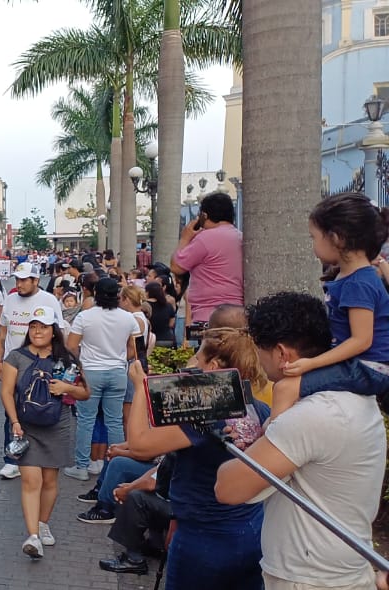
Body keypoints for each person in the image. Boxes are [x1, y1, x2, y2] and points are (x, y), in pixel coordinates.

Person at [217, 292, 389, 590]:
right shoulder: (355, 400)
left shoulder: (314, 415)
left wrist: (275, 419)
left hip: (309, 579)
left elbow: (229, 488)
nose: (257, 358)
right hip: (335, 570)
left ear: (282, 354)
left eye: (260, 349)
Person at [126, 327, 271, 588]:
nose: (190, 364)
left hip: (205, 537)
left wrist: (139, 388)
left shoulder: (205, 410)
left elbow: (140, 446)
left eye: (197, 357)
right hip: (251, 531)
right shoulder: (258, 408)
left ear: (213, 366)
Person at [275, 193, 389, 405]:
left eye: (314, 237)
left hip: (367, 368)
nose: (313, 246)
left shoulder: (358, 283)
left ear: (336, 238)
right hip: (358, 364)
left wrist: (312, 363)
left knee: (285, 388)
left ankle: (273, 438)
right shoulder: (350, 276)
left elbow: (362, 340)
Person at [0, 306, 88, 558]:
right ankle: (33, 537)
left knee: (50, 481)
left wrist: (66, 388)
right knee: (31, 480)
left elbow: (85, 393)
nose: (38, 332)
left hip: (57, 425)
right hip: (25, 426)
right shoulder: (16, 357)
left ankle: (42, 523)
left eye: (44, 327)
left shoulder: (66, 359)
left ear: (53, 331)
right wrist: (14, 421)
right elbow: (6, 392)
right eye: (34, 327)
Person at [65, 278, 139, 481]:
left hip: (91, 372)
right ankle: (115, 465)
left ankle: (81, 466)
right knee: (114, 421)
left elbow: (71, 345)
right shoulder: (128, 318)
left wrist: (81, 363)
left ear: (96, 294)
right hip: (117, 372)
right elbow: (134, 349)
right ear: (118, 294)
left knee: (86, 420)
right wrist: (120, 358)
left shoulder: (85, 317)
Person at [0, 263, 64, 480]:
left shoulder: (49, 300)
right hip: (13, 363)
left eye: (25, 280)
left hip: (41, 364)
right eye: (17, 279)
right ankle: (12, 458)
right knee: (11, 411)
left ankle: (41, 454)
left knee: (40, 407)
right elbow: (3, 333)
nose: (20, 284)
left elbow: (59, 332)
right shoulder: (10, 299)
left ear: (36, 280)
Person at [169, 192, 244, 324]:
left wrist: (185, 238)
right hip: (237, 313)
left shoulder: (204, 238)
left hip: (208, 315)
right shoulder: (240, 237)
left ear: (204, 215)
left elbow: (176, 267)